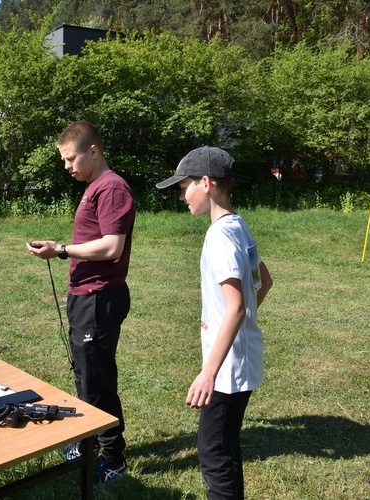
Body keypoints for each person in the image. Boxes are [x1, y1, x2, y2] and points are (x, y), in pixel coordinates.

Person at [156, 146, 273, 499]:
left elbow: (236, 308)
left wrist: (208, 372)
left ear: (205, 183)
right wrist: (231, 317)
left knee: (213, 454)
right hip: (241, 360)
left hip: (226, 371)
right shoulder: (238, 225)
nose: (181, 195)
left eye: (183, 186)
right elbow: (263, 282)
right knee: (225, 447)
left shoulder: (218, 236)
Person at [27, 120, 134, 485]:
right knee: (84, 373)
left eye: (71, 158)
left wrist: (61, 250)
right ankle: (88, 440)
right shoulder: (93, 186)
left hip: (100, 298)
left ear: (93, 151)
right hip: (84, 296)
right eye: (63, 160)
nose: (67, 166)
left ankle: (113, 458)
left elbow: (111, 246)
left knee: (98, 379)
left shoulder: (112, 187)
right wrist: (61, 249)